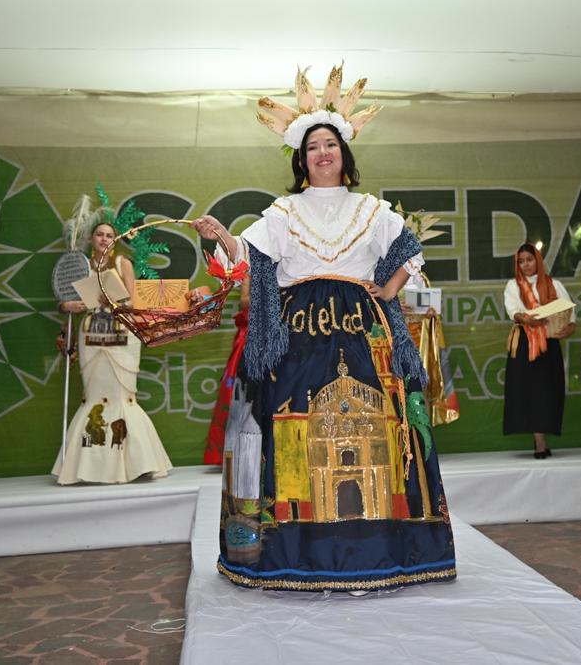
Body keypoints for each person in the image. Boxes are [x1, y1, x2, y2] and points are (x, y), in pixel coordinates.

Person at [190, 64, 456, 592]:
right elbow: (247, 255)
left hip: (363, 337)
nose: (322, 152)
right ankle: (295, 560)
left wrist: (386, 289)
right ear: (301, 159)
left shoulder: (372, 209)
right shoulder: (283, 211)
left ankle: (383, 557)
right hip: (298, 340)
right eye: (312, 146)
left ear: (344, 154)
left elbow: (409, 249)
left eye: (330, 143)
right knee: (297, 436)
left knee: (387, 429)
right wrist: (222, 236)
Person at [54, 220, 172, 484]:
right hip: (90, 335)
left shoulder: (122, 264)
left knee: (123, 397)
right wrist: (68, 307)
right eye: (99, 235)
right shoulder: (81, 265)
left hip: (123, 334)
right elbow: (66, 302)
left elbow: (133, 301)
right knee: (94, 398)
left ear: (115, 240)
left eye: (109, 235)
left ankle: (135, 464)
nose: (104, 239)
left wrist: (114, 299)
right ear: (91, 239)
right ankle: (89, 467)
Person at [502, 243, 576, 458]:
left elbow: (570, 316)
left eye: (530, 259)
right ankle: (539, 443)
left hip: (549, 344)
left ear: (538, 260)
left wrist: (568, 329)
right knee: (529, 392)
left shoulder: (555, 284)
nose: (526, 265)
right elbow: (514, 311)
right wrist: (526, 318)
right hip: (525, 344)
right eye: (521, 261)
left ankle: (542, 438)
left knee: (547, 392)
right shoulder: (512, 286)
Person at [203, 278, 250, 466]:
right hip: (251, 336)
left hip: (282, 333)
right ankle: (237, 452)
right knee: (239, 393)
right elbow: (244, 301)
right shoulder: (251, 267)